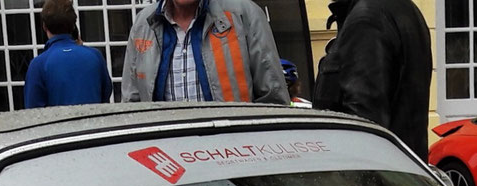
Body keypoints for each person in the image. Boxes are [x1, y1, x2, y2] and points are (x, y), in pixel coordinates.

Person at [312, 0, 432, 155]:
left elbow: (364, 128)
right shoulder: (400, 10)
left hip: (375, 173)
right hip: (401, 170)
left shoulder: (367, 19)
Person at [119, 0, 286, 105]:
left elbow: (273, 98)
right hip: (167, 153)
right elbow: (131, 104)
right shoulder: (143, 23)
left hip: (233, 151)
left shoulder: (244, 14)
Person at [23, 0, 112, 109]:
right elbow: (105, 95)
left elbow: (33, 111)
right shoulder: (95, 56)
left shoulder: (38, 65)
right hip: (94, 123)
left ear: (44, 26)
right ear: (73, 25)